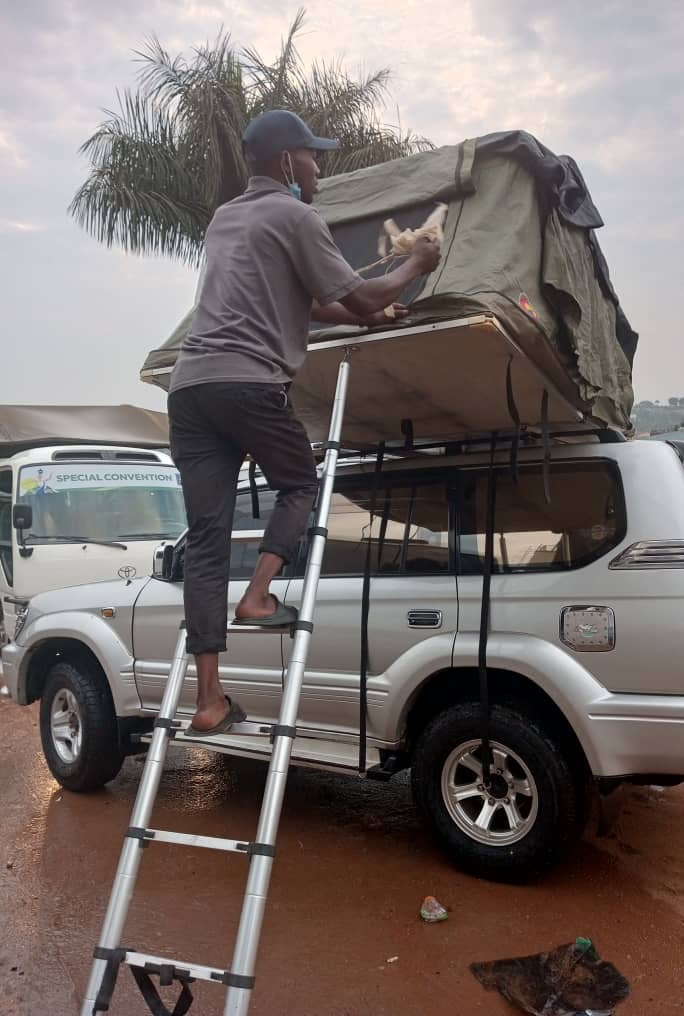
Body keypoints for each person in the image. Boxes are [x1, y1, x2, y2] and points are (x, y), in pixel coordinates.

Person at [168, 109, 441, 736]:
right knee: (300, 484)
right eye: (314, 156)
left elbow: (308, 304)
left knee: (206, 541)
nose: (319, 168)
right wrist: (414, 267)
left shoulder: (225, 219)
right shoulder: (296, 216)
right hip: (248, 383)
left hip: (191, 389)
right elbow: (360, 293)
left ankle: (209, 699)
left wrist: (368, 315)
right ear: (288, 161)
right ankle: (258, 595)